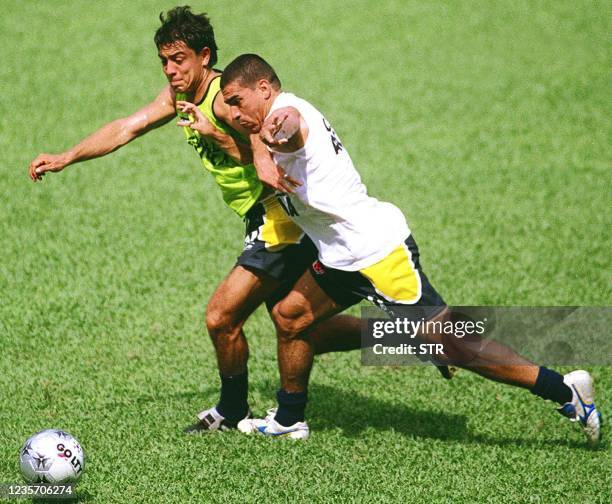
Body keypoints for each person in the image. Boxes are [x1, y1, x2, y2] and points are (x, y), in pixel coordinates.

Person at [217, 53, 602, 446]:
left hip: (379, 255)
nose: (232, 112)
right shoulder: (269, 116)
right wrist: (254, 142)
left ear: (264, 89)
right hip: (342, 258)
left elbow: (289, 127)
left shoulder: (287, 113)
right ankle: (289, 419)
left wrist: (268, 139)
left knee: (456, 346)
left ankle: (565, 390)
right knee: (290, 317)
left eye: (236, 101)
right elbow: (259, 138)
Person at [27, 6, 373, 433]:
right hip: (265, 220)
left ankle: (233, 412)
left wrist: (236, 146)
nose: (170, 70)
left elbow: (261, 140)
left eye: (179, 60)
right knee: (304, 327)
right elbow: (126, 127)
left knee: (221, 317)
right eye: (164, 61)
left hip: (277, 219)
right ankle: (417, 340)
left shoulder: (225, 100)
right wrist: (66, 157)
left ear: (204, 56)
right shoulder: (179, 97)